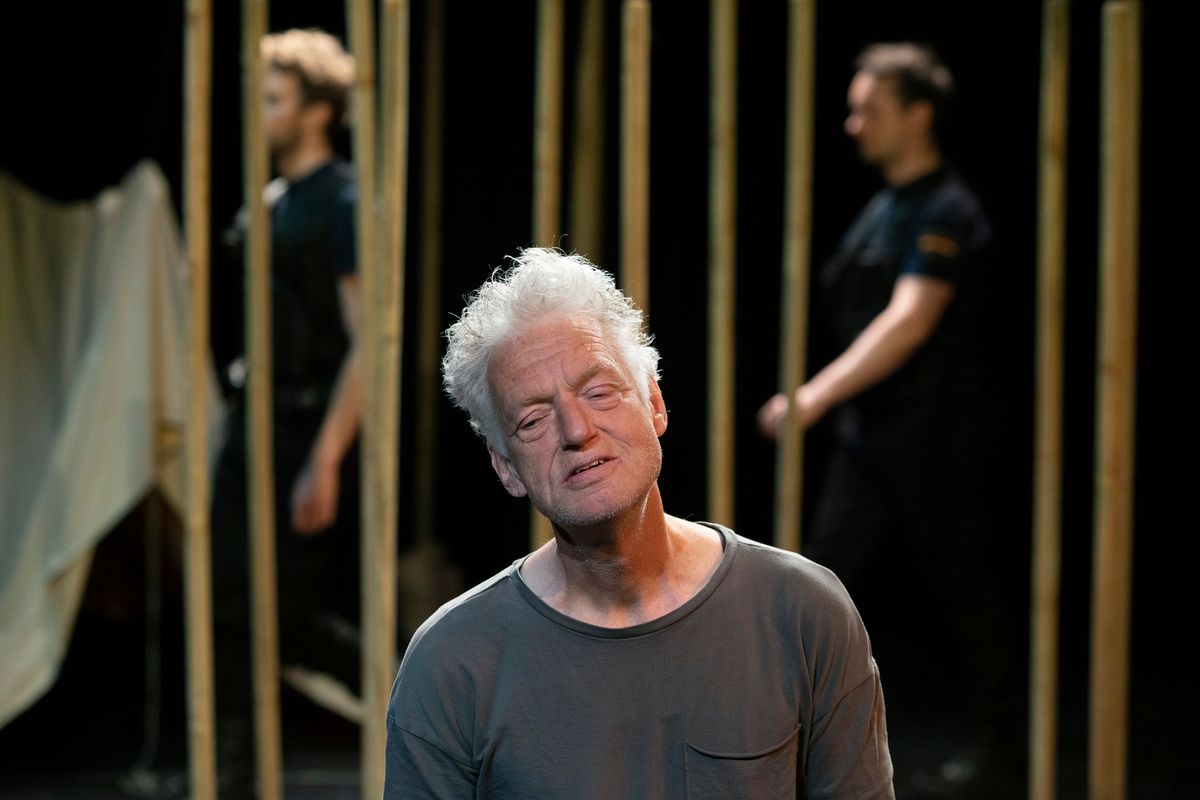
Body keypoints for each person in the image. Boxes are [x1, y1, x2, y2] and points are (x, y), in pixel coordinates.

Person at [384, 248, 894, 799]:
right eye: (532, 419)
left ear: (654, 403)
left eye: (599, 392)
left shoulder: (800, 612)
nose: (576, 430)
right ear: (505, 466)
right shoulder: (452, 662)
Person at [756, 43, 1014, 790]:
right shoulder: (886, 205)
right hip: (874, 435)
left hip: (937, 435)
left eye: (869, 109)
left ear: (918, 115)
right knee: (817, 575)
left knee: (963, 585)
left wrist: (814, 395)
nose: (853, 123)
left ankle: (1002, 742)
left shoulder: (947, 209)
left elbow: (909, 320)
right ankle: (776, 734)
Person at [209, 28, 361, 798]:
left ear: (316, 112)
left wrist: (325, 458)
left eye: (274, 99)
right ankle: (232, 779)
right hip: (251, 426)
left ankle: (418, 687)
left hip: (306, 427)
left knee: (287, 616)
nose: (260, 113)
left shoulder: (343, 202)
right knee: (228, 607)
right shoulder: (265, 202)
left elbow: (367, 347)